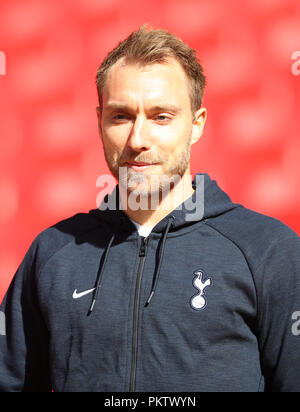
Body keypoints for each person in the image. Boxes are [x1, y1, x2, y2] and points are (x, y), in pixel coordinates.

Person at [0, 25, 300, 393]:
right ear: (99, 123)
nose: (138, 140)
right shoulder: (53, 253)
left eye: (161, 117)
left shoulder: (269, 250)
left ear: (196, 124)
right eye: (121, 116)